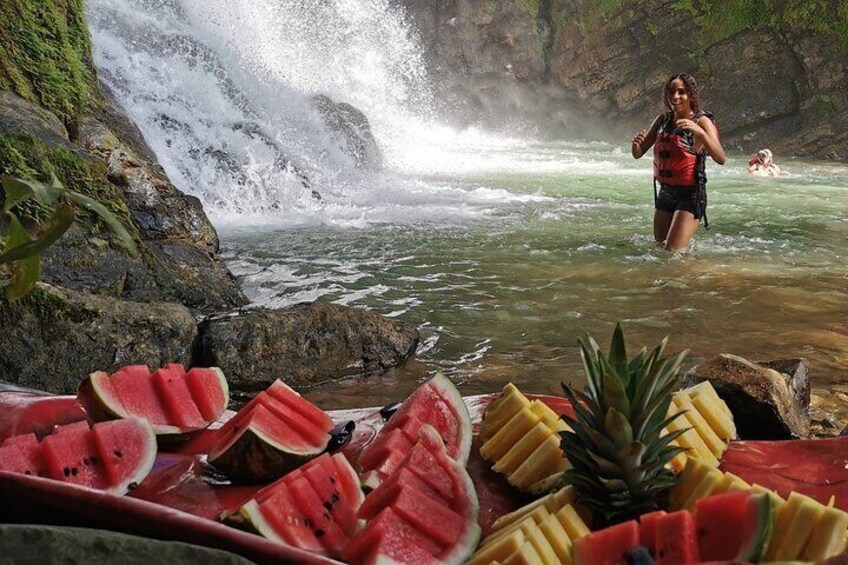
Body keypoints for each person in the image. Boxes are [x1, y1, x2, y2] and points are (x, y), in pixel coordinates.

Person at [631, 73, 726, 251]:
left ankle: (694, 276)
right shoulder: (663, 120)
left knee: (672, 252)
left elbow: (721, 158)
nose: (675, 96)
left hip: (690, 195)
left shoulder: (702, 121)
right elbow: (639, 153)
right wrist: (635, 146)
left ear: (690, 95)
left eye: (681, 92)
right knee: (659, 249)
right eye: (671, 91)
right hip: (665, 193)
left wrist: (701, 133)